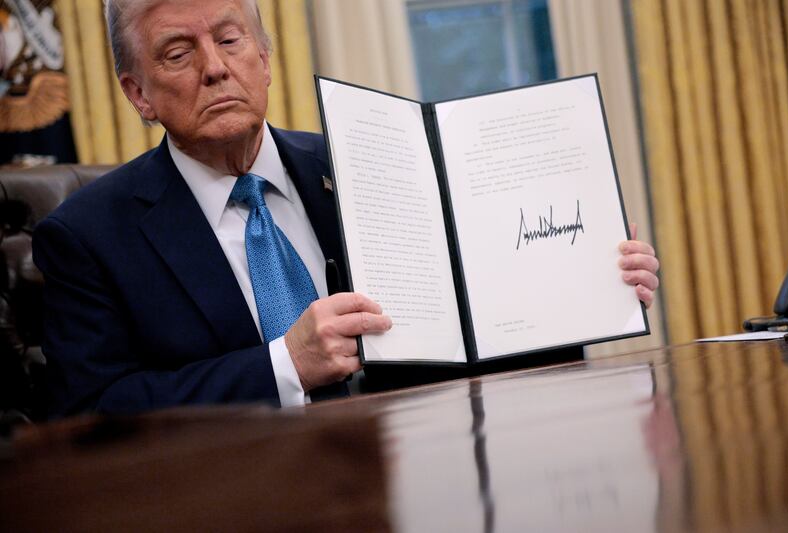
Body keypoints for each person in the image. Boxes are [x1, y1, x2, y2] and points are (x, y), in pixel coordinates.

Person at [32, 0, 660, 417]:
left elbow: (479, 329)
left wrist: (580, 282)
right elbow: (92, 413)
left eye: (230, 39)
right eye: (178, 53)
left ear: (266, 59)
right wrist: (285, 366)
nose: (217, 68)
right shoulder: (86, 236)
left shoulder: (378, 166)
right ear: (137, 93)